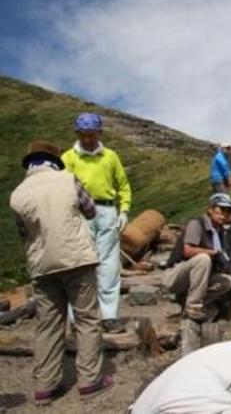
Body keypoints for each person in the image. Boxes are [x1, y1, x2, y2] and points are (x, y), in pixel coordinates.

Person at [10, 141, 112, 405]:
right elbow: (90, 211)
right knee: (87, 319)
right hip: (77, 259)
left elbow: (24, 234)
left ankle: (45, 386)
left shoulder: (17, 194)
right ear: (54, 161)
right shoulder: (68, 180)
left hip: (42, 267)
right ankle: (89, 381)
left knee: (48, 325)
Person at [62, 112, 131, 334]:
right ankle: (76, 318)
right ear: (78, 134)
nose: (88, 139)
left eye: (92, 135)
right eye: (84, 135)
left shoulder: (110, 156)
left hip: (108, 211)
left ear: (99, 133)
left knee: (109, 265)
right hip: (80, 213)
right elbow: (62, 189)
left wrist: (124, 211)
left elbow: (123, 185)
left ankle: (109, 316)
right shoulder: (68, 158)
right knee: (81, 264)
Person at [163, 193, 231, 323]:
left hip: (194, 276)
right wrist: (212, 252)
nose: (224, 214)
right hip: (175, 274)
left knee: (227, 281)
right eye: (221, 209)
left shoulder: (219, 232)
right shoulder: (196, 224)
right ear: (210, 209)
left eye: (228, 211)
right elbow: (188, 250)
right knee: (203, 258)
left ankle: (187, 299)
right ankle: (193, 305)